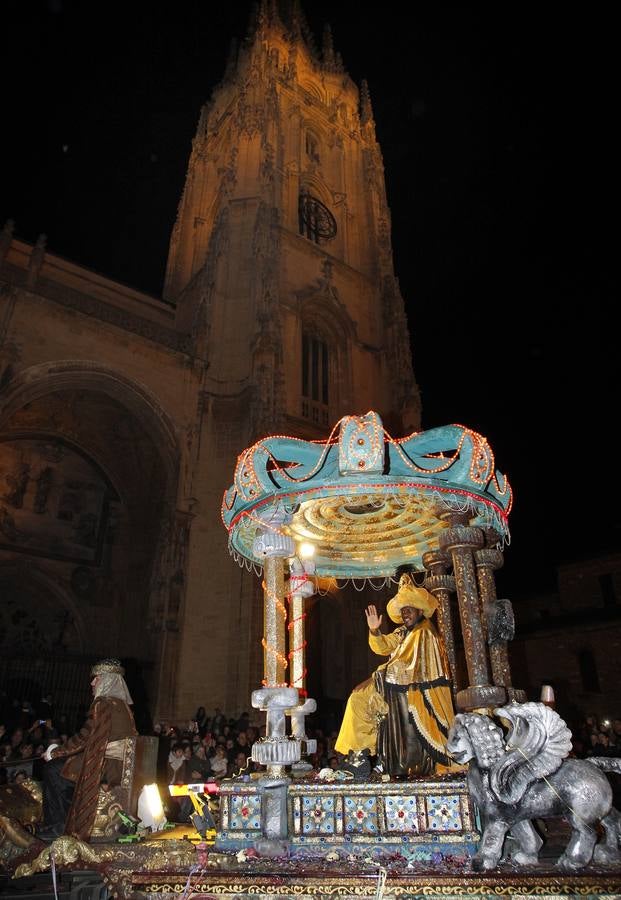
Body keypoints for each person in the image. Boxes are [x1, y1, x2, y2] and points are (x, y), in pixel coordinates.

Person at [335, 574, 455, 778]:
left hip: (412, 692)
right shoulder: (404, 632)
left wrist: (374, 679)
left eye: (408, 610)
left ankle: (362, 756)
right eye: (402, 611)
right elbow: (383, 647)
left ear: (419, 610)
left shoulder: (424, 632)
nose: (405, 614)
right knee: (359, 699)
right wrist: (374, 630)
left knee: (361, 698)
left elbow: (405, 666)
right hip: (397, 686)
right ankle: (360, 755)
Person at [40, 658, 137, 841]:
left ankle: (57, 827)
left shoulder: (104, 704)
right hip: (116, 764)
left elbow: (84, 738)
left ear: (107, 680)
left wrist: (54, 753)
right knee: (63, 770)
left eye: (97, 678)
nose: (92, 682)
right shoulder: (122, 706)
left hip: (106, 767)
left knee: (52, 770)